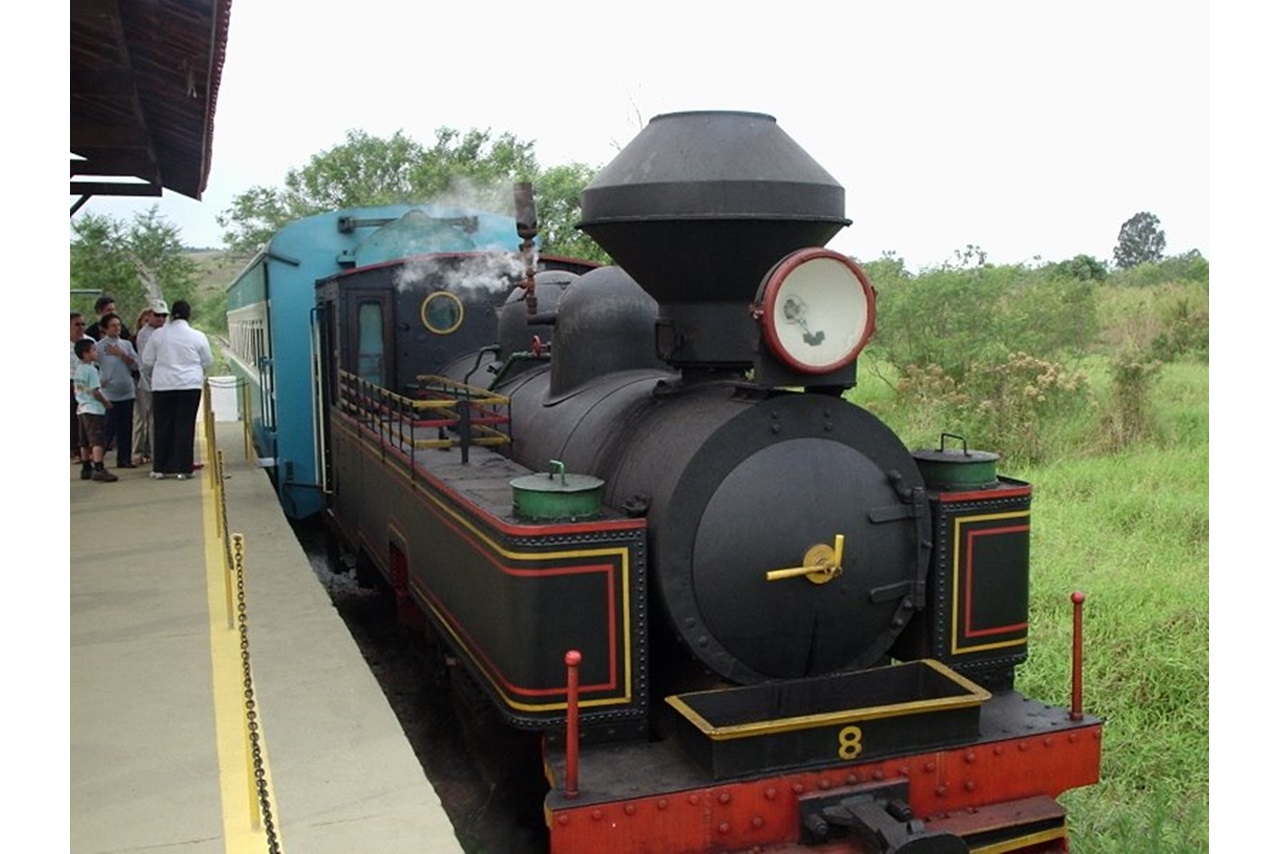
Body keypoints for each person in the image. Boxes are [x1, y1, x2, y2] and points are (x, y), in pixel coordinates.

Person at [142, 299, 212, 480]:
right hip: (189, 385)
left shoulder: (157, 335)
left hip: (163, 385)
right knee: (185, 425)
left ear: (171, 315)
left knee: (162, 425)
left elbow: (147, 360)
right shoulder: (198, 336)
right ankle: (183, 468)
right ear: (189, 315)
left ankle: (160, 468)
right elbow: (207, 361)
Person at [96, 313, 139, 468]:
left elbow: (136, 365)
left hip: (127, 390)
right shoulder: (99, 346)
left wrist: (121, 354)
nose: (117, 328)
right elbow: (92, 364)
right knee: (108, 428)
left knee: (126, 428)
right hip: (109, 393)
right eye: (113, 325)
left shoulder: (126, 345)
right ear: (105, 328)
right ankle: (98, 460)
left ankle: (124, 459)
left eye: (118, 325)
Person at [73, 339, 119, 483]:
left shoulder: (78, 369)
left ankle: (86, 467)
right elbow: (95, 392)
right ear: (85, 354)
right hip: (93, 409)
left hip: (81, 407)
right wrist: (106, 403)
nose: (96, 352)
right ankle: (99, 468)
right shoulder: (91, 370)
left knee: (84, 440)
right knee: (97, 440)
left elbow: (82, 387)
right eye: (93, 350)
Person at [130, 300, 168, 465]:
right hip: (147, 382)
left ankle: (153, 452)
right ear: (150, 315)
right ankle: (141, 453)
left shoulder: (163, 331)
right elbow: (147, 362)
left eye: (164, 316)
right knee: (145, 419)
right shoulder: (145, 334)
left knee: (155, 419)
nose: (161, 319)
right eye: (157, 315)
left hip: (160, 382)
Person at [71, 312, 93, 459]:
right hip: (70, 381)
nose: (80, 328)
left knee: (88, 416)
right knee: (72, 416)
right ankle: (74, 447)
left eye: (83, 324)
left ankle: (87, 447)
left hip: (88, 383)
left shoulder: (89, 341)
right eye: (76, 325)